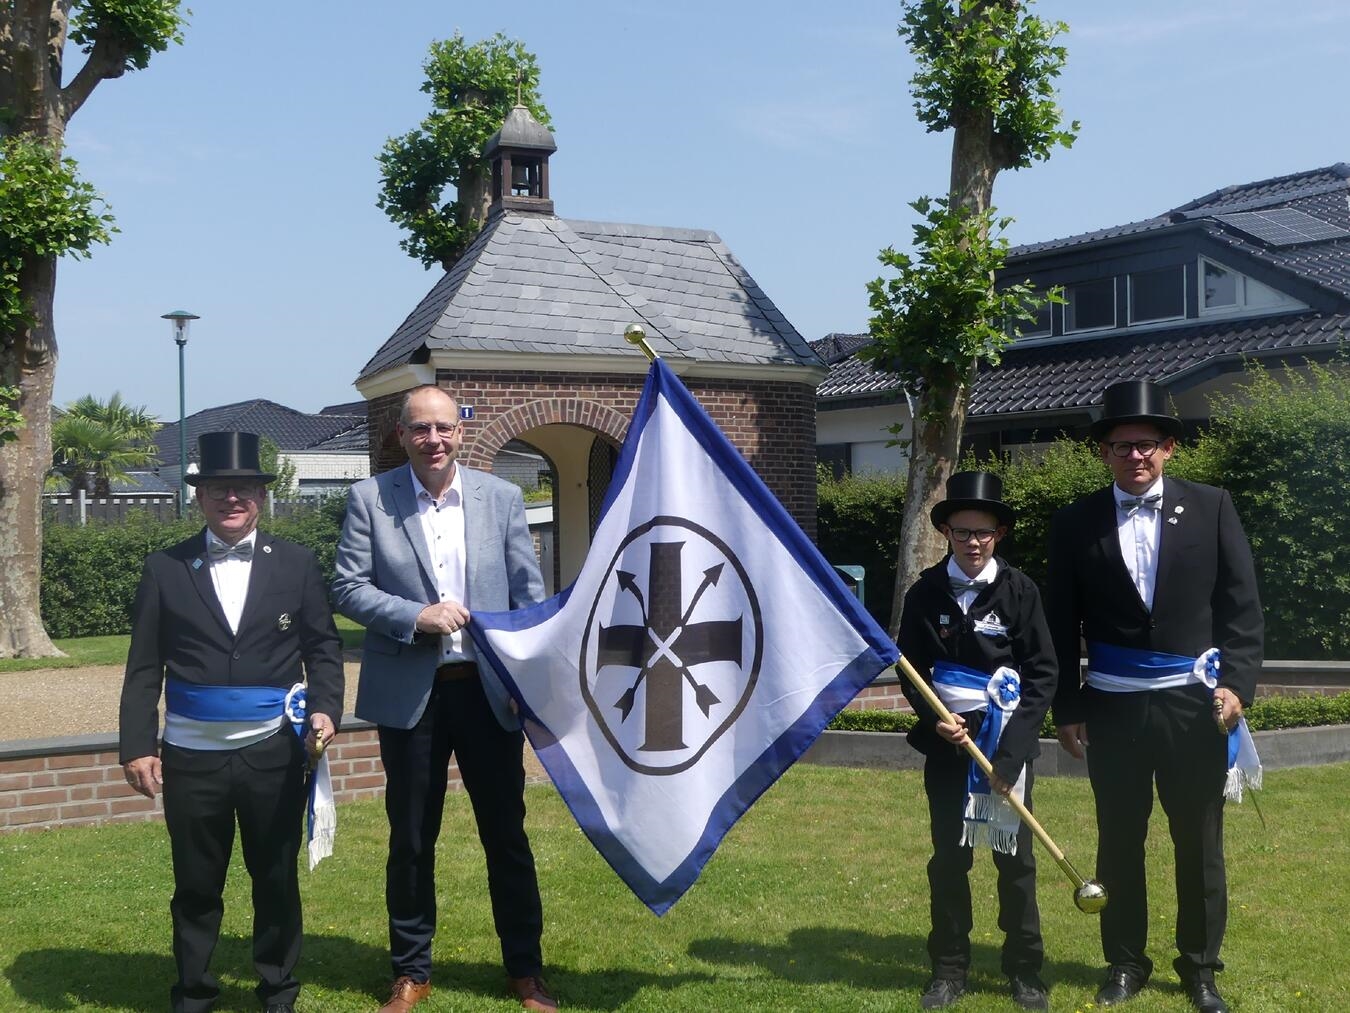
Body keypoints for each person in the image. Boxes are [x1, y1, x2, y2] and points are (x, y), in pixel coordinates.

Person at [331, 384, 554, 1013]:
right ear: (401, 435)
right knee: (409, 838)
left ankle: (525, 970)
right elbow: (347, 588)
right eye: (420, 429)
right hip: (411, 696)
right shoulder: (369, 500)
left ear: (462, 432)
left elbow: (527, 600)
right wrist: (416, 615)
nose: (434, 440)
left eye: (444, 429)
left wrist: (526, 684)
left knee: (506, 834)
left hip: (487, 695)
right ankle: (410, 970)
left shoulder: (503, 499)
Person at [1048, 380, 1263, 1013]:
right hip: (1112, 708)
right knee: (1118, 838)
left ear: (1169, 448)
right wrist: (1068, 705)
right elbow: (1059, 622)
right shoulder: (1073, 521)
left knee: (1198, 842)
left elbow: (1242, 609)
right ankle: (1124, 962)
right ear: (1104, 453)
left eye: (1145, 445)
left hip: (1192, 708)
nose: (1134, 456)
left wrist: (1238, 684)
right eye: (1120, 446)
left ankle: (1200, 967)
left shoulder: (1213, 506)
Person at [119, 431, 344, 1013]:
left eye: (243, 488)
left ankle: (278, 989)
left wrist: (325, 707)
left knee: (275, 878)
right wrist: (137, 745)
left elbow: (323, 649)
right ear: (200, 497)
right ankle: (193, 993)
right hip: (192, 757)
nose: (232, 499)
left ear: (261, 496)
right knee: (196, 885)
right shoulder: (164, 568)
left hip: (274, 752)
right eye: (220, 489)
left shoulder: (296, 564)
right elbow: (144, 667)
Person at [897, 471, 1056, 1011]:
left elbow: (1042, 674)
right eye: (962, 531)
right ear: (946, 532)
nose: (972, 542)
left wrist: (1011, 754)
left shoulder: (1021, 591)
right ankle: (948, 967)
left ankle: (1025, 969)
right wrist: (933, 718)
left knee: (1015, 863)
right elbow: (910, 669)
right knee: (949, 859)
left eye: (982, 533)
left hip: (1006, 750)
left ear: (999, 534)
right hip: (947, 750)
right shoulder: (925, 593)